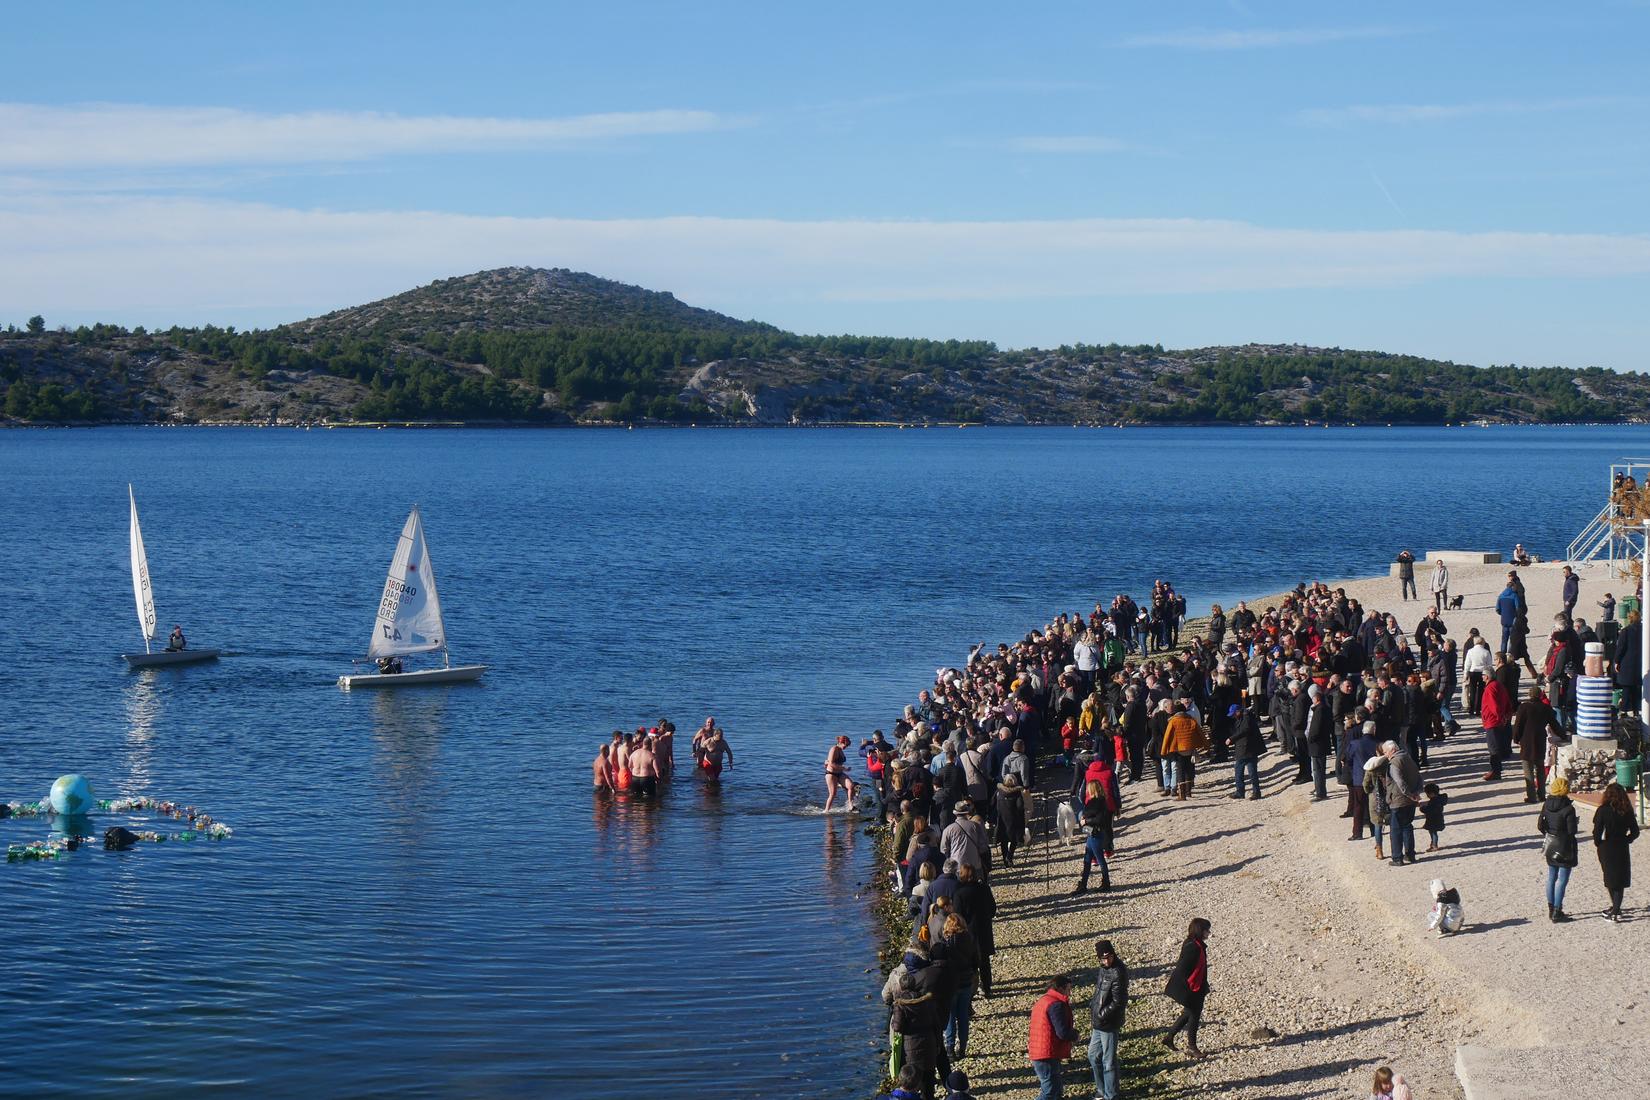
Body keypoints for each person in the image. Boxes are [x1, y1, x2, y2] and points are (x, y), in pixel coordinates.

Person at [1162, 917, 1210, 1059]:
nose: (1209, 933)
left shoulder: (1195, 943)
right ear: (1200, 931)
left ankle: (1169, 1037)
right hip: (1191, 988)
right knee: (1194, 1016)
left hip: (1196, 986)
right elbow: (1182, 969)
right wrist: (1190, 987)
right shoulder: (1193, 947)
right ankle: (1192, 1047)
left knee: (1189, 1012)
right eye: (1207, 930)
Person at [1592, 781, 1641, 922]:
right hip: (1621, 846)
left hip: (1606, 847)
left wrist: (1598, 844)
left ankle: (1615, 909)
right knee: (1620, 879)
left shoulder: (1602, 810)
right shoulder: (1627, 810)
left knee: (1609, 878)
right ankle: (1616, 908)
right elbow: (1635, 831)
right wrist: (1627, 839)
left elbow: (1597, 831)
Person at [1027, 972, 1079, 1100]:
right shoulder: (1056, 1005)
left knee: (1055, 1084)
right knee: (1049, 1090)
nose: (1070, 993)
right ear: (1061, 988)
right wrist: (1075, 1035)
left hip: (1040, 1050)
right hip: (1046, 1053)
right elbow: (1062, 1032)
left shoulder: (1044, 1000)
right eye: (1068, 989)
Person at [1088, 939, 1128, 1100]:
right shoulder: (1104, 969)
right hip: (1098, 1022)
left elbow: (1120, 1001)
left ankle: (1111, 1095)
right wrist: (1093, 1007)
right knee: (1092, 1055)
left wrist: (1102, 1013)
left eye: (1109, 957)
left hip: (1109, 1023)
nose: (1106, 961)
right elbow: (1100, 991)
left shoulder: (1118, 971)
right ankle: (1102, 1090)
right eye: (1103, 958)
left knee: (1109, 1062)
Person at [1538, 775, 1580, 922]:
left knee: (1551, 877)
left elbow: (1540, 825)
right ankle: (1557, 910)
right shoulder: (1568, 808)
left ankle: (1551, 908)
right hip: (1565, 846)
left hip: (1551, 843)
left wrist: (1550, 833)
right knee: (1562, 879)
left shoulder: (1546, 804)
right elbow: (1572, 831)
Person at [1382, 740, 1422, 867]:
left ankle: (1397, 858)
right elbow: (1419, 777)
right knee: (1408, 827)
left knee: (1396, 830)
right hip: (1411, 800)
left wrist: (1410, 794)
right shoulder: (1408, 757)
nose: (1385, 754)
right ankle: (1410, 855)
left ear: (1392, 750)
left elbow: (1400, 783)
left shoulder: (1394, 763)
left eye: (1385, 752)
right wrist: (1416, 793)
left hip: (1399, 801)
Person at [825, 735, 858, 811]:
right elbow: (831, 764)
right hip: (831, 774)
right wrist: (844, 768)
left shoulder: (840, 750)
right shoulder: (833, 749)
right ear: (840, 743)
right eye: (845, 745)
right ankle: (826, 810)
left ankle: (850, 805)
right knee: (833, 794)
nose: (846, 747)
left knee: (851, 786)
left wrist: (842, 768)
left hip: (840, 774)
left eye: (847, 746)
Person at [1420, 781, 1448, 851]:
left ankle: (1434, 845)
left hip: (1433, 820)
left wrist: (1422, 808)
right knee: (1433, 832)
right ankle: (1433, 844)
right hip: (1438, 818)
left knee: (1433, 832)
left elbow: (1429, 810)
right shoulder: (1439, 799)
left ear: (1432, 793)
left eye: (1427, 794)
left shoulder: (1433, 802)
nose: (1427, 796)